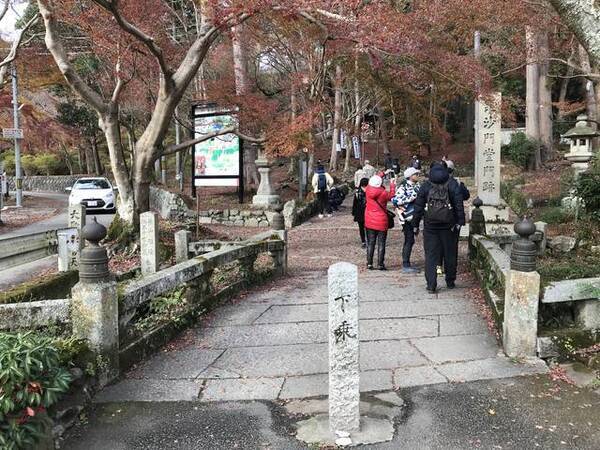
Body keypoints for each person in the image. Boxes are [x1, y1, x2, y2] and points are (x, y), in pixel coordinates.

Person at [411, 162, 465, 293]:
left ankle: (431, 284)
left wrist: (415, 224)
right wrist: (460, 221)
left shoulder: (426, 186)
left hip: (430, 226)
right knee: (450, 253)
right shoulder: (452, 184)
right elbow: (459, 205)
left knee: (431, 255)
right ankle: (450, 281)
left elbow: (418, 207)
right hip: (449, 226)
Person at [393, 167, 421, 274]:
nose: (418, 175)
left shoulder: (418, 186)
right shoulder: (403, 187)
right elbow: (396, 200)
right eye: (415, 174)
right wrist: (412, 198)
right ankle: (406, 264)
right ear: (410, 176)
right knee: (409, 240)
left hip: (416, 217)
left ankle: (407, 263)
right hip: (406, 217)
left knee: (411, 239)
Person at [364, 174, 395, 270]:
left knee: (371, 243)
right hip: (381, 220)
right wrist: (392, 184)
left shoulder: (368, 189)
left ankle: (369, 263)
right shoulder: (383, 193)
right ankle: (380, 264)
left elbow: (375, 178)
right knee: (381, 243)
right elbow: (392, 196)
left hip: (369, 219)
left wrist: (382, 173)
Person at [352, 177, 369, 247]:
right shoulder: (370, 191)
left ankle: (363, 241)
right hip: (368, 211)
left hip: (359, 212)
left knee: (361, 228)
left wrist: (353, 212)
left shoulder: (357, 192)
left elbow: (354, 204)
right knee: (368, 227)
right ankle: (369, 240)